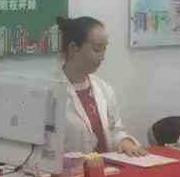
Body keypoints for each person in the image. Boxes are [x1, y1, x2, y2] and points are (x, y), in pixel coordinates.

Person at [57, 16, 146, 157]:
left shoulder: (104, 89)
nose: (103, 57)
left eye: (105, 49)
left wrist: (125, 142)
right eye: (97, 49)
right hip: (70, 169)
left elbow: (115, 130)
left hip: (106, 167)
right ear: (73, 48)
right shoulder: (48, 92)